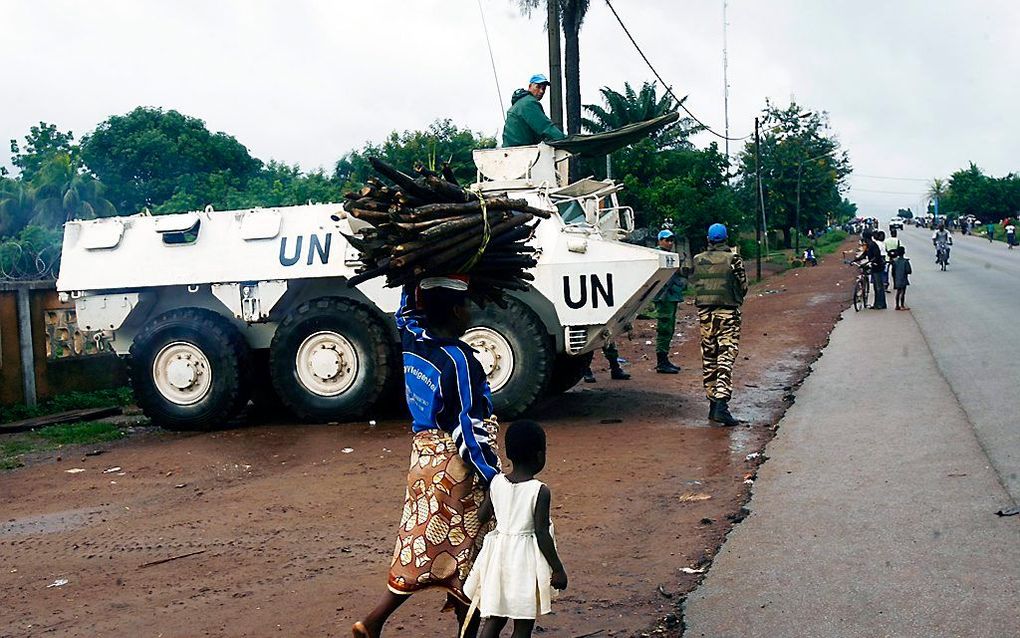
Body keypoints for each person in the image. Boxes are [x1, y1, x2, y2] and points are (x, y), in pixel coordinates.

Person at [354, 277, 500, 638]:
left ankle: (373, 622)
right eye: (465, 305)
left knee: (420, 544)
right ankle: (467, 631)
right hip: (456, 467)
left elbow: (406, 312)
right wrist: (493, 477)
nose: (469, 312)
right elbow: (468, 426)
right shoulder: (460, 359)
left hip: (423, 462)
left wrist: (415, 275)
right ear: (455, 309)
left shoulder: (414, 340)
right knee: (469, 549)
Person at [463, 420, 567, 638]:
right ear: (540, 456)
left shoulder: (497, 483)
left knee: (495, 617)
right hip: (524, 563)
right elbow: (541, 535)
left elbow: (482, 516)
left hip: (498, 557)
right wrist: (557, 568)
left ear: (509, 453)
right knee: (523, 622)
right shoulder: (539, 491)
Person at [689, 223, 748, 426]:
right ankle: (722, 405)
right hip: (727, 314)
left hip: (705, 315)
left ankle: (713, 405)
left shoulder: (698, 260)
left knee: (709, 357)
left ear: (708, 239)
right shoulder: (733, 259)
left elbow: (694, 282)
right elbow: (744, 286)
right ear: (726, 239)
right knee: (725, 356)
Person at [501, 74, 567, 148]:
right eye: (538, 87)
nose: (541, 91)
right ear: (530, 87)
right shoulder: (529, 103)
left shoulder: (519, 103)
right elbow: (545, 127)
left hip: (510, 150)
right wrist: (566, 141)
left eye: (544, 88)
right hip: (520, 151)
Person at [653, 229, 685, 373]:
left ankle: (664, 359)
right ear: (660, 241)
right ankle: (661, 361)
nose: (670, 243)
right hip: (664, 297)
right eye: (667, 240)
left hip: (671, 296)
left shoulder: (671, 256)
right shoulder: (656, 255)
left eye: (671, 240)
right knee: (664, 329)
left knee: (669, 329)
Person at [892, 246, 912, 311]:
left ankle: (897, 305)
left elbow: (893, 271)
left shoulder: (895, 262)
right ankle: (902, 305)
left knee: (898, 292)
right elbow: (909, 271)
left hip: (897, 278)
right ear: (904, 252)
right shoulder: (906, 261)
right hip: (903, 278)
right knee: (903, 292)